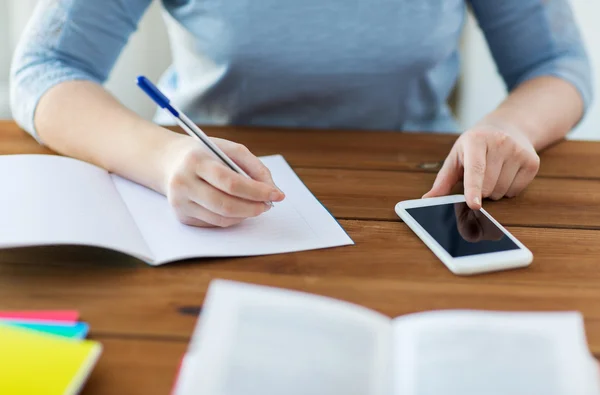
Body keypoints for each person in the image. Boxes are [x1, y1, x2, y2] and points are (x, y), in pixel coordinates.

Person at [10, 1, 592, 228]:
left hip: (423, 198)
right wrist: (162, 156)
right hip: (200, 196)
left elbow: (556, 61)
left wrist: (509, 130)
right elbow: (45, 67)